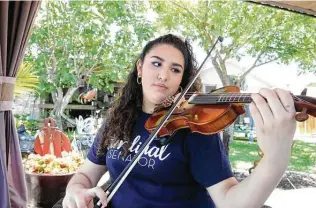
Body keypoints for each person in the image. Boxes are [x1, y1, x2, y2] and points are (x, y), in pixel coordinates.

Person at [62, 34, 297, 208]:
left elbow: (229, 201)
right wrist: (75, 190)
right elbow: (86, 175)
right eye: (156, 63)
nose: (164, 75)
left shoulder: (195, 129)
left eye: (175, 70)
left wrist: (275, 160)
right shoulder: (118, 120)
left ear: (181, 81)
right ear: (140, 68)